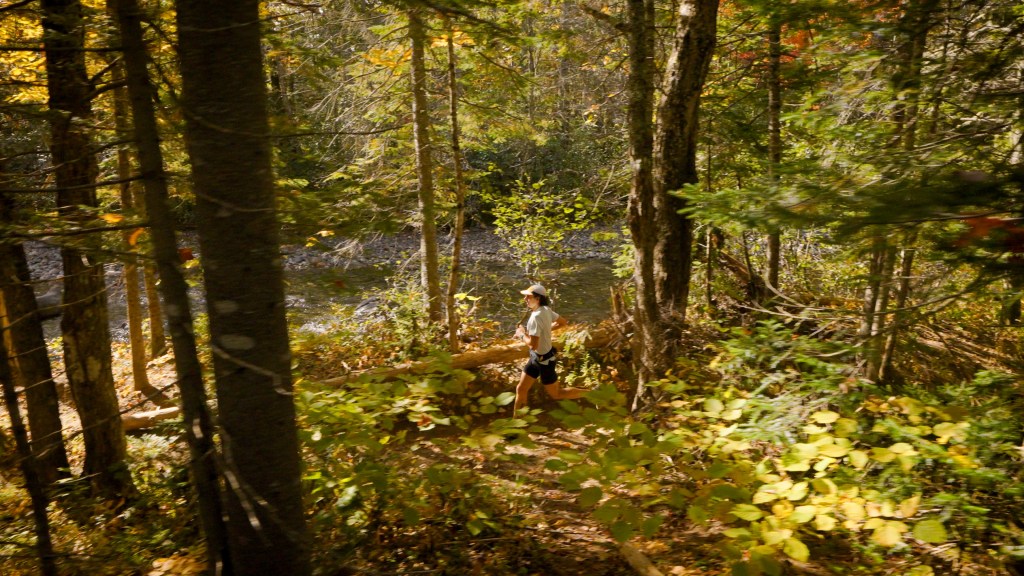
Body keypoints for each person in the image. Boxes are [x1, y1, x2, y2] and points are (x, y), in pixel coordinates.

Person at [513, 284, 586, 413]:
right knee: (521, 389)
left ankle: (591, 394)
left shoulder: (535, 318)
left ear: (538, 298)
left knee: (557, 394)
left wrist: (521, 334)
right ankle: (517, 425)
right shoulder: (546, 310)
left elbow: (532, 344)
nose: (525, 299)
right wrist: (545, 330)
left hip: (545, 362)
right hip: (536, 358)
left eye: (528, 297)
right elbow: (563, 322)